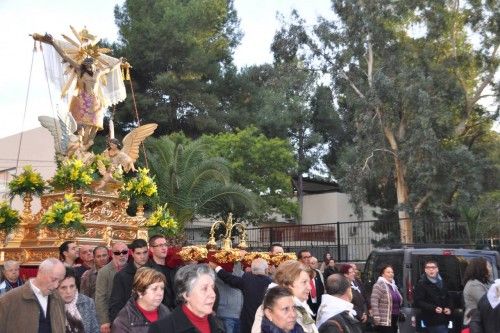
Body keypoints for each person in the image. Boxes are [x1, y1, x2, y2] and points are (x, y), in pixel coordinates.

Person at [32, 30, 126, 146]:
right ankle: (79, 146)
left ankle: (85, 147)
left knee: (94, 128)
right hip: (83, 100)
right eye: (88, 65)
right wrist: (53, 42)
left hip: (95, 102)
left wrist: (119, 62)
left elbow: (110, 68)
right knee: (80, 127)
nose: (90, 67)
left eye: (92, 65)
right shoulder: (79, 70)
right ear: (84, 65)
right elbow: (65, 56)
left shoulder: (98, 72)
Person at [148, 263, 225, 333]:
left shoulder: (219, 325)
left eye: (212, 287)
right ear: (186, 295)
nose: (213, 294)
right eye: (204, 289)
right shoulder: (161, 329)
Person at [0, 257, 66, 332]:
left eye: (60, 281)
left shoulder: (58, 297)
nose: (56, 285)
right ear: (40, 273)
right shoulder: (8, 300)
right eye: (53, 279)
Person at [252, 260, 318, 333]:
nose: (310, 287)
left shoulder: (302, 307)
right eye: (304, 282)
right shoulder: (269, 308)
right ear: (287, 284)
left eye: (309, 282)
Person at [210, 257, 272, 333]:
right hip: (265, 324)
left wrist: (216, 267)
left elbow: (228, 278)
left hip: (247, 324)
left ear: (252, 270)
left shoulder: (247, 279)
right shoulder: (272, 284)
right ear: (266, 270)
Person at [112, 267, 170, 333]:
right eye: (154, 289)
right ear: (140, 291)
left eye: (162, 288)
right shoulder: (123, 321)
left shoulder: (165, 312)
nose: (160, 293)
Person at [109, 239, 150, 323]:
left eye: (145, 252)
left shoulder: (156, 271)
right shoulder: (121, 276)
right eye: (138, 253)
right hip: (130, 321)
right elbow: (116, 304)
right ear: (132, 253)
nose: (142, 256)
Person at [96, 241, 129, 333]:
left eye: (124, 252)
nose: (121, 255)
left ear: (129, 253)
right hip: (112, 316)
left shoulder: (132, 268)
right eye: (117, 253)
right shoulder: (104, 272)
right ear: (112, 254)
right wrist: (104, 321)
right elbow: (100, 297)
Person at [57, 267, 99, 333]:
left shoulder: (88, 302)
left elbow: (95, 330)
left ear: (76, 286)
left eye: (72, 286)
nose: (68, 291)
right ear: (56, 289)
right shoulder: (51, 305)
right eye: (63, 287)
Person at [414, 260, 452, 333]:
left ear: (437, 269)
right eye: (428, 267)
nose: (431, 269)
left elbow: (448, 297)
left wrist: (449, 308)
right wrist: (433, 308)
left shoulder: (442, 282)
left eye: (433, 267)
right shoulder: (421, 284)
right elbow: (418, 302)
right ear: (425, 270)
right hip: (431, 319)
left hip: (445, 318)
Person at [370, 264, 402, 333]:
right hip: (384, 319)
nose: (391, 274)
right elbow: (374, 301)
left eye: (392, 272)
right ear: (382, 274)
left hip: (395, 318)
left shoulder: (393, 286)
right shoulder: (379, 285)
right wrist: (376, 316)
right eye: (388, 272)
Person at [148, 235, 176, 310]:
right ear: (151, 249)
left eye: (165, 245)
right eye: (160, 245)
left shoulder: (172, 269)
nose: (164, 248)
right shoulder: (147, 271)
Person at [215, 261, 244, 333]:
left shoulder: (241, 274)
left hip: (237, 315)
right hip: (227, 314)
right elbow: (234, 277)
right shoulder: (218, 274)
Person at [462, 257, 492, 327]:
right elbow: (487, 304)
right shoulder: (474, 285)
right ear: (481, 268)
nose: (490, 269)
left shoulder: (480, 282)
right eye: (489, 266)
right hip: (474, 324)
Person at [298, 250, 324, 317]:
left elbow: (321, 288)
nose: (308, 259)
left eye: (309, 257)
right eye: (305, 257)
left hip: (318, 304)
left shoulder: (317, 272)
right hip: (305, 304)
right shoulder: (298, 273)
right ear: (299, 260)